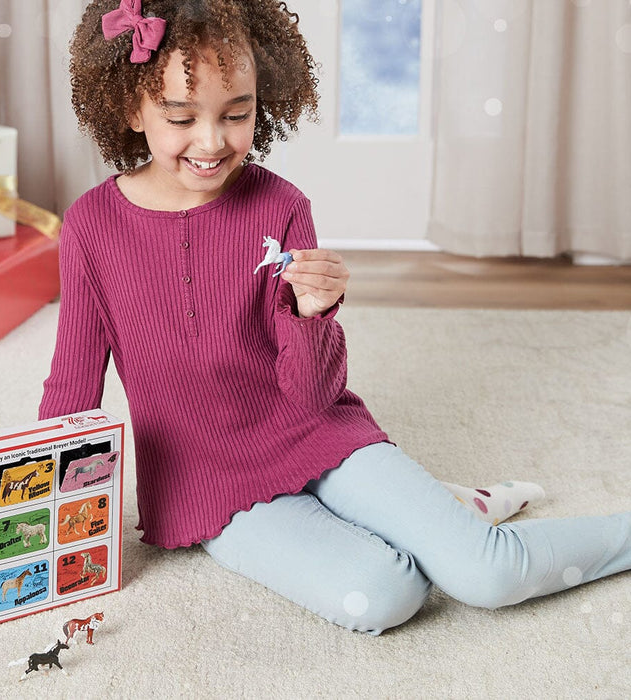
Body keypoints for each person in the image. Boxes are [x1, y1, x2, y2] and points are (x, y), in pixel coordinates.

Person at [39, 0, 630, 634]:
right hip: (208, 487)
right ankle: (456, 509)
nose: (213, 142)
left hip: (317, 433)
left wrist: (311, 315)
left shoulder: (283, 206)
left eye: (237, 114)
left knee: (488, 576)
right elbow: (73, 387)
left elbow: (313, 394)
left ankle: (478, 524)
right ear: (132, 108)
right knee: (385, 595)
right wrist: (47, 512)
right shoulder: (92, 226)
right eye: (182, 117)